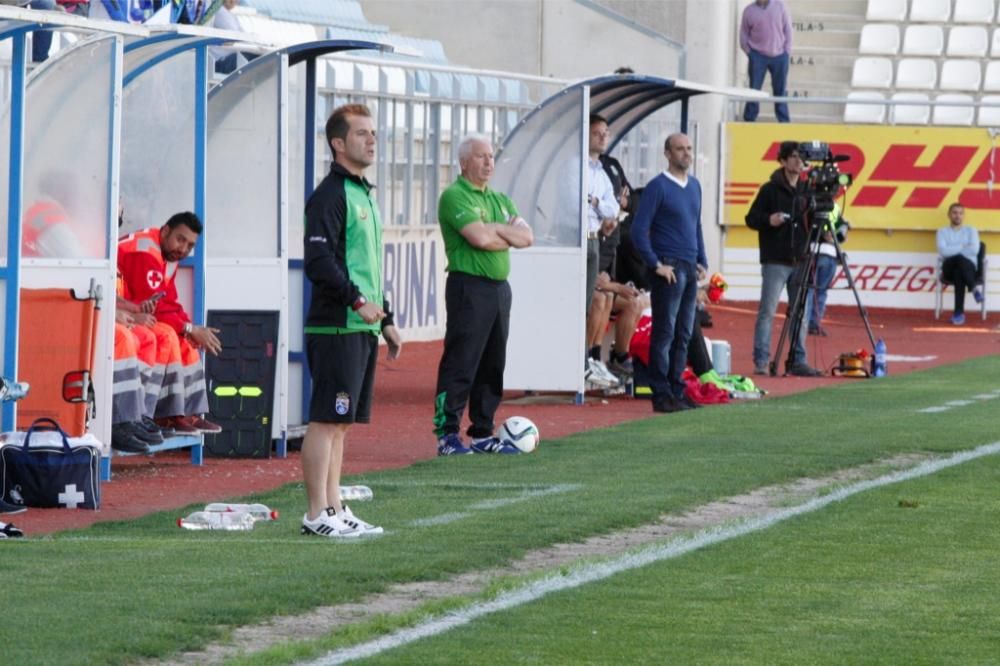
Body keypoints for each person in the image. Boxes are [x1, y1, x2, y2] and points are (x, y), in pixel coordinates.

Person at [300, 103, 402, 539]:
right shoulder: (330, 195)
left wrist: (386, 318)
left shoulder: (364, 194)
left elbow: (368, 266)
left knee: (341, 423)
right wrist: (357, 300)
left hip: (360, 326)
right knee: (327, 418)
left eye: (374, 133)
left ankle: (335, 506)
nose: (372, 140)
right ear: (338, 143)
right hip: (335, 325)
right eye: (362, 134)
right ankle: (315, 513)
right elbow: (318, 261)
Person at [433, 134, 533, 456]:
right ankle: (447, 434)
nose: (489, 162)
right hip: (469, 287)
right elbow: (478, 238)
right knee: (462, 361)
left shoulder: (500, 200)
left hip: (499, 289)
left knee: (493, 363)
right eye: (481, 156)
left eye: (491, 156)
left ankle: (482, 432)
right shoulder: (454, 196)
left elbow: (527, 237)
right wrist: (502, 233)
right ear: (464, 162)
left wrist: (496, 230)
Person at [117, 212, 224, 434]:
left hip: (133, 309)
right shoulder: (146, 252)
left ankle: (185, 414)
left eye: (190, 245)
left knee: (184, 340)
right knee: (167, 334)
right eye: (180, 239)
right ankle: (155, 415)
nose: (183, 249)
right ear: (165, 231)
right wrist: (189, 328)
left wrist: (190, 330)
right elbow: (154, 305)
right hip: (120, 311)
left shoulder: (167, 254)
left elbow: (168, 301)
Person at [631, 133, 707, 413]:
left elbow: (696, 226)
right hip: (669, 267)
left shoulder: (695, 186)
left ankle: (677, 389)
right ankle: (661, 394)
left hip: (688, 265)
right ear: (667, 153)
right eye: (680, 149)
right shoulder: (657, 187)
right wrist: (655, 264)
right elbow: (639, 231)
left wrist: (702, 260)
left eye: (689, 148)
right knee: (664, 333)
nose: (686, 153)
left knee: (684, 333)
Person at [745, 141, 822, 377]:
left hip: (801, 258)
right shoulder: (769, 189)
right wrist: (770, 220)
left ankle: (798, 358)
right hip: (776, 259)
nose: (799, 162)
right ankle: (761, 359)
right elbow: (751, 218)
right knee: (767, 311)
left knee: (801, 311)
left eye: (802, 158)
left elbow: (816, 219)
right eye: (795, 157)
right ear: (783, 160)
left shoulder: (808, 190)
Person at [582, 114, 622, 388]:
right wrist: (600, 205)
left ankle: (594, 358)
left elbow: (613, 208)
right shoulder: (578, 167)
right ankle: (582, 359)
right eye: (597, 133)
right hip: (580, 239)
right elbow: (580, 202)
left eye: (606, 132)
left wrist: (596, 202)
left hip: (595, 238)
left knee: (599, 298)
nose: (603, 137)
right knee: (586, 302)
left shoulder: (602, 170)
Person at [739, 0, 792, 123]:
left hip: (780, 56)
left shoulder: (780, 6)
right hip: (758, 56)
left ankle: (783, 121)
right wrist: (750, 53)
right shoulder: (749, 11)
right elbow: (743, 35)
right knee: (754, 90)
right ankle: (749, 120)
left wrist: (787, 51)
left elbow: (788, 30)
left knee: (780, 90)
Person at [936, 202, 982, 326]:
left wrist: (953, 249)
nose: (958, 216)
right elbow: (943, 251)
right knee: (959, 260)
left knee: (959, 272)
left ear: (963, 216)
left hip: (968, 268)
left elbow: (975, 250)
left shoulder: (971, 230)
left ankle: (958, 314)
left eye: (961, 213)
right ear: (949, 215)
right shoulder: (942, 232)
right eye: (955, 213)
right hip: (948, 267)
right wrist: (962, 246)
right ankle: (973, 288)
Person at [806, 203, 849, 336]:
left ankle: (804, 323)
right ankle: (814, 324)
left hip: (811, 251)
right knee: (821, 291)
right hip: (829, 253)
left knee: (808, 290)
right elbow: (843, 231)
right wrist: (834, 235)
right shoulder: (835, 207)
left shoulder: (807, 202)